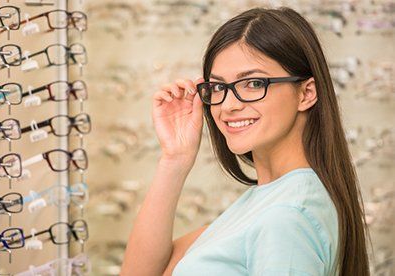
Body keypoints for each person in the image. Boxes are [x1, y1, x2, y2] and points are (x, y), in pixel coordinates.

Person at [121, 6, 371, 276]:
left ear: (306, 93)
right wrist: (175, 158)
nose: (228, 105)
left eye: (253, 83)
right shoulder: (267, 199)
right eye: (218, 87)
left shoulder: (287, 215)